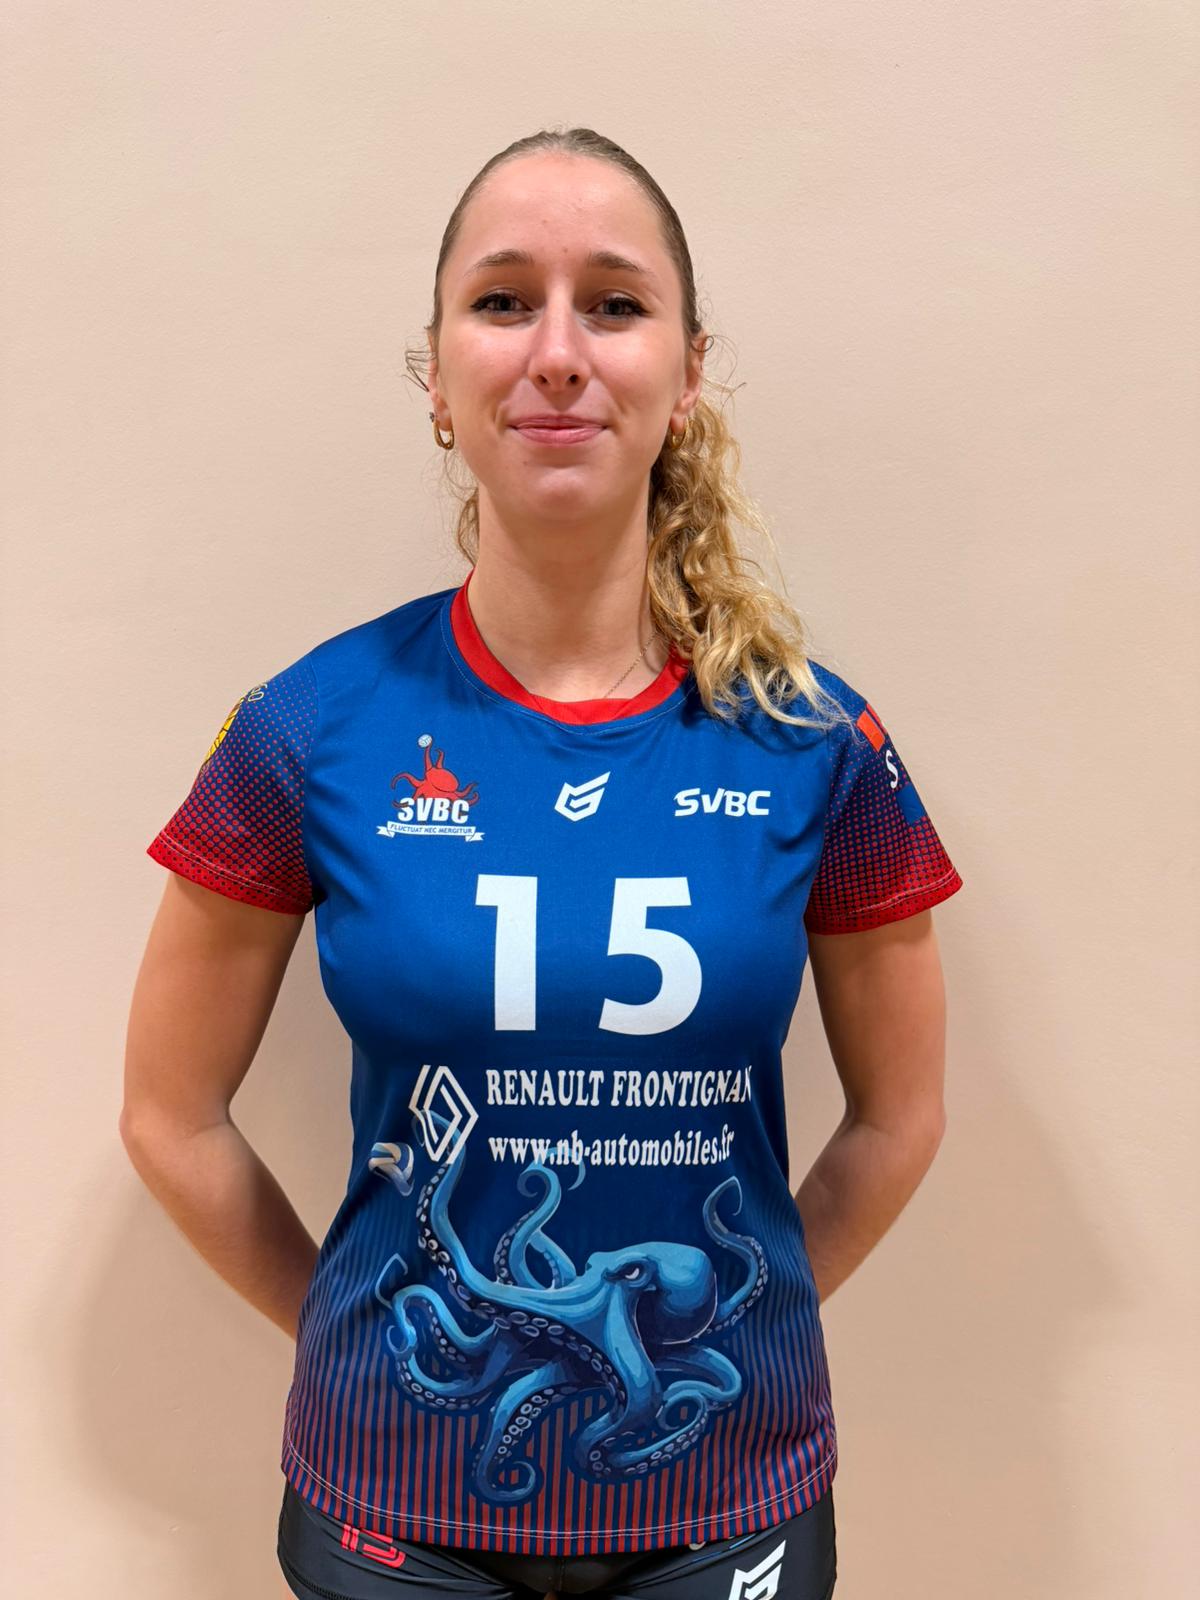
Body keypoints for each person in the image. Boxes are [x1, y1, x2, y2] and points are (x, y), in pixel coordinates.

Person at [122, 127, 963, 1600]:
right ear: (437, 375)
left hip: (729, 1506)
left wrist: (722, 1319)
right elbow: (167, 1114)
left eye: (615, 305)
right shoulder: (309, 728)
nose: (559, 353)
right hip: (391, 1508)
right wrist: (355, 1327)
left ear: (686, 374)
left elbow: (901, 1119)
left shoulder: (817, 741)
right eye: (504, 301)